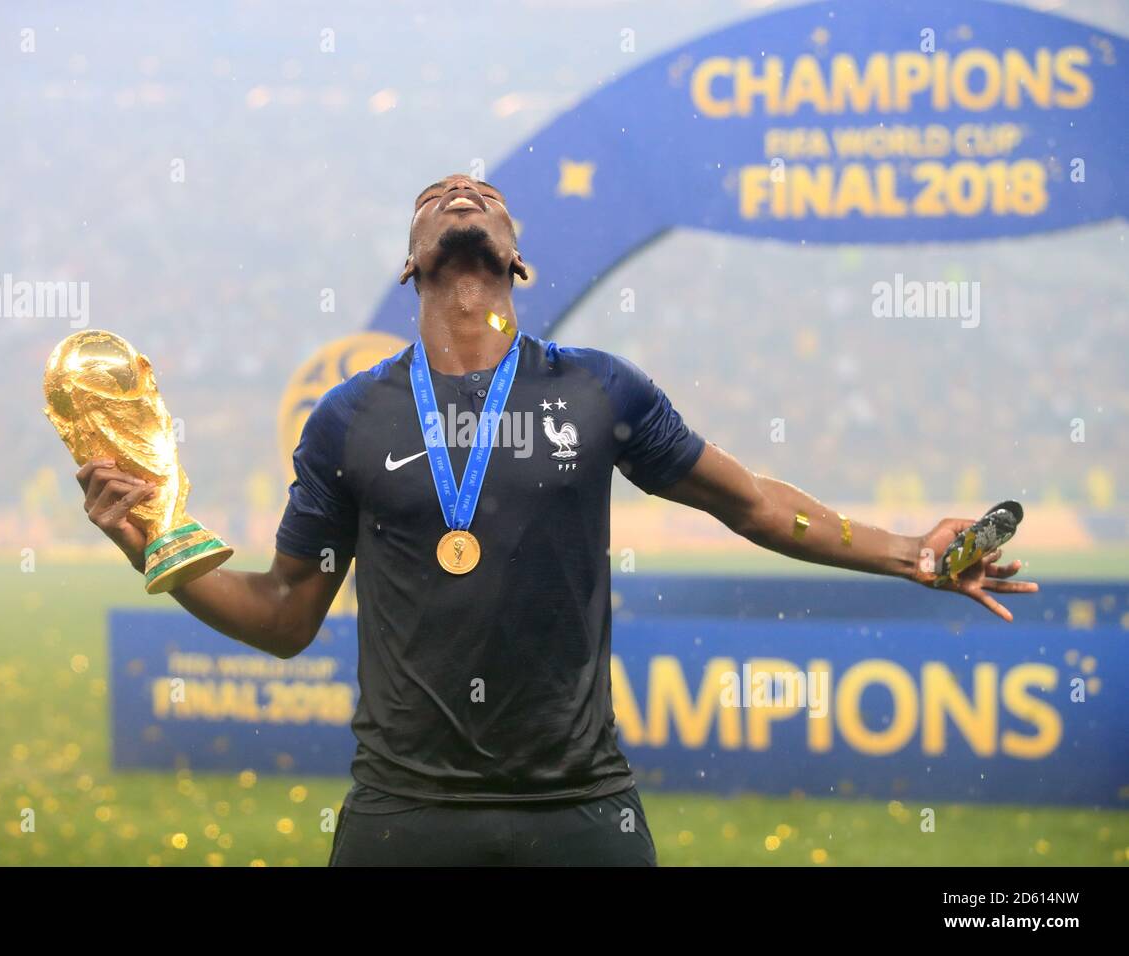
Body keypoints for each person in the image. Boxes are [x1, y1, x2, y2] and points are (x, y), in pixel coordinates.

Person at [74, 173, 1038, 866]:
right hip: (403, 815)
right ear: (408, 265)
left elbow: (753, 505)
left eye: (482, 195)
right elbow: (285, 615)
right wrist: (155, 545)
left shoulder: (596, 389)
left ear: (517, 258)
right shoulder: (348, 418)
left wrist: (911, 550)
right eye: (435, 196)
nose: (460, 194)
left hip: (582, 812)